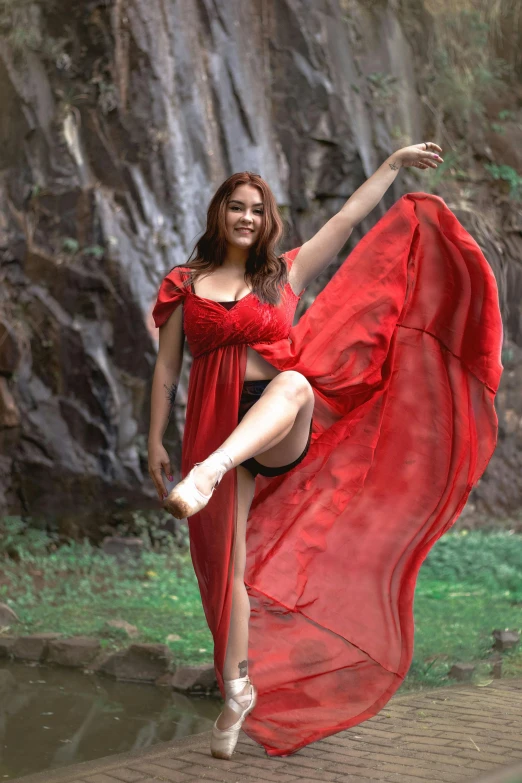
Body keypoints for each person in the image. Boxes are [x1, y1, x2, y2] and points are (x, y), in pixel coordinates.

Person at [148, 142, 503, 760]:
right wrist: (153, 438)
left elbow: (344, 220)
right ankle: (237, 691)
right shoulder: (185, 284)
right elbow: (165, 371)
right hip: (213, 423)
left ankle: (210, 470)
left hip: (277, 426)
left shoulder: (283, 272)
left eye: (258, 210)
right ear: (219, 213)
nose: (248, 219)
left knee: (293, 383)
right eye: (237, 208)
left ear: (269, 219)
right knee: (228, 567)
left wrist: (391, 165)